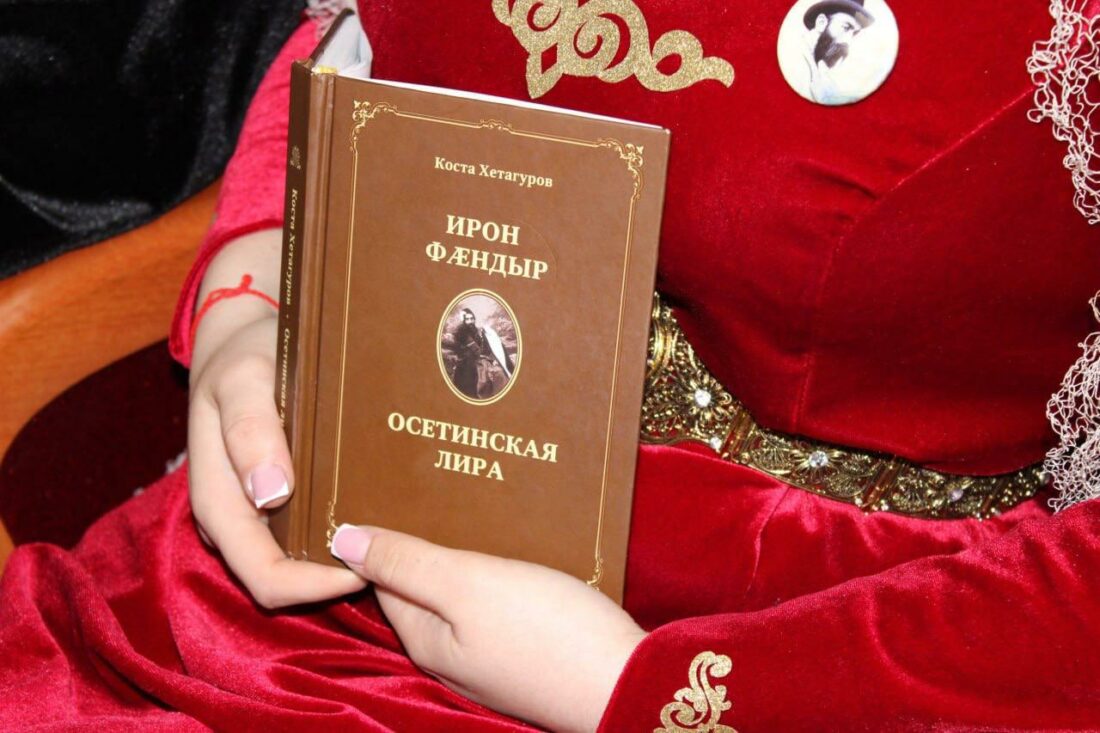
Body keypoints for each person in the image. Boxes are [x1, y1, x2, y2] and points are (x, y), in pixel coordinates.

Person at [0, 1, 1098, 731]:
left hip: (837, 651)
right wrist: (261, 290)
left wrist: (649, 692)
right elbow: (356, 42)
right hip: (348, 519)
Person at [449, 308, 514, 399]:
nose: (470, 321)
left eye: (472, 319)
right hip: (466, 362)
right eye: (467, 319)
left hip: (477, 359)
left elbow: (482, 348)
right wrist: (481, 356)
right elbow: (474, 350)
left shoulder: (476, 331)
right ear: (464, 321)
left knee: (498, 372)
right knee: (482, 376)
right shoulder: (462, 333)